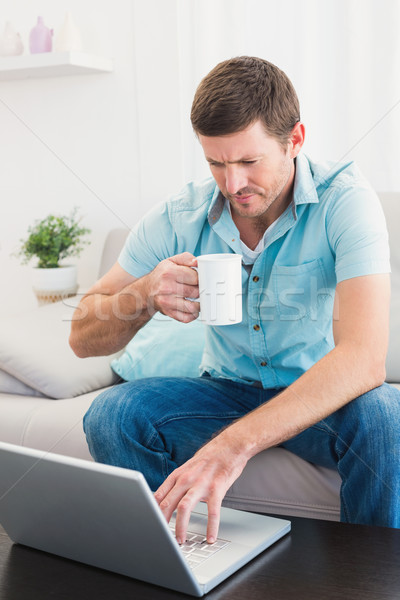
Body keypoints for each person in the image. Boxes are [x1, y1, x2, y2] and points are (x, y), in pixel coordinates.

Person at [69, 56, 400, 544]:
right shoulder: (179, 215)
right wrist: (144, 295)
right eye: (216, 163)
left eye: (249, 161)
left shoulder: (344, 200)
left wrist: (231, 448)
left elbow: (365, 359)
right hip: (226, 389)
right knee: (112, 415)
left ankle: (372, 581)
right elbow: (81, 335)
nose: (232, 184)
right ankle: (175, 560)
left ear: (296, 141)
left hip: (321, 400)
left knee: (386, 415)